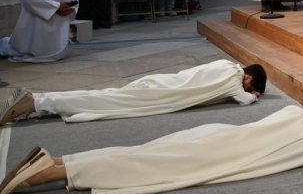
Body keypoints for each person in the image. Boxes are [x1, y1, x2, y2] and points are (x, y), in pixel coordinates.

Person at [0, 105, 303, 194]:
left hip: (215, 136)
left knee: (139, 152)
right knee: (140, 167)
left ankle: (59, 160)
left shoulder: (295, 112)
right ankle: (49, 172)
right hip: (216, 157)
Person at [0, 59, 268, 125]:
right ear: (248, 77)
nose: (248, 90)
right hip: (159, 96)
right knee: (103, 101)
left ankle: (37, 102)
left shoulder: (224, 63)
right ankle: (35, 102)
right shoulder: (234, 80)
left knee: (105, 96)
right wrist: (253, 97)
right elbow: (243, 100)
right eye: (251, 86)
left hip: (161, 83)